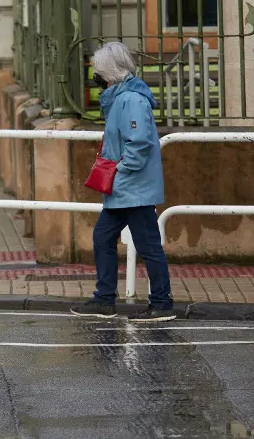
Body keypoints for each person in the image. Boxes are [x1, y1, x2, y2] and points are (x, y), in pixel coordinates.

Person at [70, 41, 176, 322]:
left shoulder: (130, 99)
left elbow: (138, 142)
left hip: (133, 188)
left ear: (109, 72)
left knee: (147, 245)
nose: (95, 76)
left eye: (98, 71)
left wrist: (121, 170)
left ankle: (161, 304)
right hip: (125, 188)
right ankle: (105, 299)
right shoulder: (122, 97)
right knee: (104, 237)